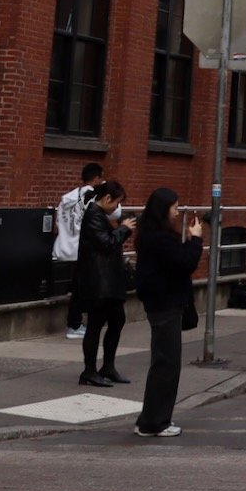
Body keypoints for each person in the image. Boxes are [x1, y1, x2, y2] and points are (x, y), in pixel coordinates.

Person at [133, 188, 203, 438]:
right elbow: (185, 263)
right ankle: (154, 422)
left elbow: (176, 261)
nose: (177, 211)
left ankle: (151, 417)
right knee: (167, 364)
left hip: (162, 302)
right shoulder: (159, 237)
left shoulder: (152, 235)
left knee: (164, 362)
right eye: (174, 207)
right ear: (163, 209)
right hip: (165, 304)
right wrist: (195, 239)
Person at [74, 182, 135, 388]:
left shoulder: (100, 216)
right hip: (98, 283)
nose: (117, 207)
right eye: (116, 202)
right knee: (95, 326)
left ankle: (108, 367)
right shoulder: (93, 215)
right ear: (107, 198)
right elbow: (107, 243)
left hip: (108, 282)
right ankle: (89, 371)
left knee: (117, 320)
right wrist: (125, 230)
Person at [54, 162, 104, 339]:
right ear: (96, 178)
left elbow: (58, 223)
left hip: (64, 248)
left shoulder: (67, 198)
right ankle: (74, 325)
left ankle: (76, 324)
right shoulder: (93, 198)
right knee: (80, 289)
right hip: (81, 250)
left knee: (76, 288)